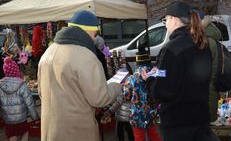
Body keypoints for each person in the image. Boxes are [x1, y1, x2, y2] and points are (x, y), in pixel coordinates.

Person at [38, 10, 121, 141]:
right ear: (88, 31)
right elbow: (100, 98)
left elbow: (41, 93)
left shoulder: (48, 51)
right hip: (77, 131)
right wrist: (117, 86)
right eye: (95, 33)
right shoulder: (86, 56)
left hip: (50, 131)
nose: (95, 37)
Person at [144, 1, 220, 141]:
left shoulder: (170, 49)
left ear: (174, 19)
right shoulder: (202, 44)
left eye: (165, 20)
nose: (165, 24)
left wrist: (149, 80)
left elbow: (163, 92)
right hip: (200, 119)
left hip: (178, 124)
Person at [123, 51, 162, 141]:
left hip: (137, 115)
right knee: (155, 136)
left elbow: (126, 96)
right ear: (149, 62)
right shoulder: (158, 74)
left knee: (139, 138)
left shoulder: (131, 78)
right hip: (154, 114)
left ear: (137, 63)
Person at [0, 57, 39, 141]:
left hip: (8, 119)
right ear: (15, 69)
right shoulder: (22, 85)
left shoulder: (0, 85)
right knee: (25, 132)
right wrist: (35, 117)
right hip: (22, 118)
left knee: (12, 135)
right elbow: (30, 104)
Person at [201, 14, 223, 124]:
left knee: (206, 126)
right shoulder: (212, 38)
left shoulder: (207, 41)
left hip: (208, 87)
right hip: (211, 85)